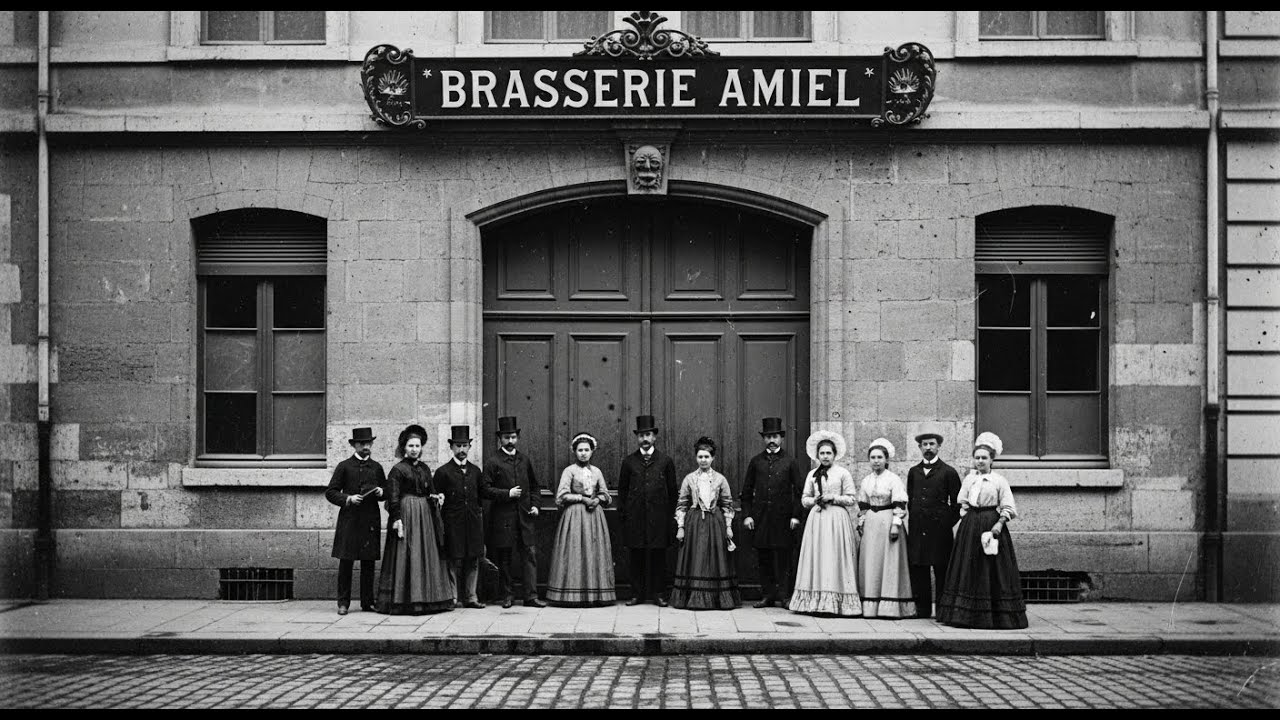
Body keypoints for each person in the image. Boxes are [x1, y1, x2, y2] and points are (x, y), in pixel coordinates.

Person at [936, 432, 1029, 629]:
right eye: (977, 457)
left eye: (984, 458)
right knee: (968, 566)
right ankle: (964, 615)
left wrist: (999, 524)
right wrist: (965, 520)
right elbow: (962, 501)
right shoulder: (969, 479)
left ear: (992, 459)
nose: (980, 461)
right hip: (970, 526)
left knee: (991, 569)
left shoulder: (999, 481)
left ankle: (995, 616)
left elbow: (1008, 506)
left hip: (991, 524)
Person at [374, 424, 455, 615]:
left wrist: (437, 497)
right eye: (411, 446)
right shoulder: (398, 469)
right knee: (407, 554)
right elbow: (393, 496)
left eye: (417, 446)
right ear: (404, 448)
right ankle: (407, 601)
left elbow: (431, 490)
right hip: (407, 515)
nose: (414, 450)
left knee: (426, 555)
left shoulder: (425, 468)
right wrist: (396, 519)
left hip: (425, 518)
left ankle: (429, 599)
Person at [788, 430, 862, 617]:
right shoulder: (812, 474)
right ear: (817, 455)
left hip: (837, 519)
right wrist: (815, 500)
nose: (825, 456)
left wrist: (833, 497)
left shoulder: (842, 473)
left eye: (829, 453)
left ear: (835, 454)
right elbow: (804, 499)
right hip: (817, 519)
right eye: (822, 453)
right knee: (818, 556)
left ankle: (838, 602)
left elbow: (852, 498)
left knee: (834, 556)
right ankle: (814, 601)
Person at [480, 416, 546, 608]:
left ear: (517, 438)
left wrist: (536, 505)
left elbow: (535, 486)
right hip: (503, 518)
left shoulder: (524, 460)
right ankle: (507, 596)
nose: (510, 441)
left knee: (529, 555)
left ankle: (531, 596)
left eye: (513, 437)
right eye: (506, 437)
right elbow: (485, 489)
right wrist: (507, 493)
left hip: (525, 517)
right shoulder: (493, 462)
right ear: (500, 439)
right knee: (505, 557)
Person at [545, 432, 617, 607]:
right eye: (580, 450)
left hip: (594, 517)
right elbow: (560, 496)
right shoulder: (569, 471)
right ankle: (572, 596)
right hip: (575, 517)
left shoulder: (597, 471)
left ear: (592, 451)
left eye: (586, 450)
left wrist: (598, 499)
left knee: (594, 552)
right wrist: (581, 498)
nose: (583, 453)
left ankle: (596, 594)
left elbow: (607, 494)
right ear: (574, 451)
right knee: (575, 552)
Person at [669, 436, 741, 610]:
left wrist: (729, 527)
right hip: (694, 524)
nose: (703, 460)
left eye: (707, 457)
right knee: (696, 558)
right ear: (696, 458)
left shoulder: (720, 479)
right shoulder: (689, 479)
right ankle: (693, 598)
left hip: (715, 524)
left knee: (715, 559)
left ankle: (716, 599)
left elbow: (727, 504)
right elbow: (682, 504)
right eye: (700, 457)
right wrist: (681, 527)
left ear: (712, 458)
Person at [740, 417, 805, 608]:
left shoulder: (790, 462)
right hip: (761, 519)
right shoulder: (756, 462)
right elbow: (746, 491)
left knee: (784, 557)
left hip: (784, 519)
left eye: (775, 436)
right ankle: (767, 595)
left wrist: (795, 515)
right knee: (764, 557)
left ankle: (785, 596)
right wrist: (748, 515)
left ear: (781, 439)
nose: (772, 440)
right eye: (768, 436)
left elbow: (799, 492)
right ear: (763, 438)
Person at [617, 414, 678, 606]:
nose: (645, 439)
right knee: (636, 556)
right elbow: (623, 491)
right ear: (637, 437)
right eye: (641, 435)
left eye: (648, 435)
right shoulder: (629, 462)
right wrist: (624, 516)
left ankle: (659, 593)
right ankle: (637, 594)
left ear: (654, 437)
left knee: (659, 556)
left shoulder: (665, 461)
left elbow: (673, 492)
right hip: (635, 518)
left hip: (659, 518)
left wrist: (670, 518)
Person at [324, 426, 386, 615]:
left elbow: (386, 492)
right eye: (362, 444)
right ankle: (343, 603)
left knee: (368, 564)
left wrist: (382, 492)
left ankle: (367, 602)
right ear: (354, 445)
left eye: (368, 443)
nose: (366, 446)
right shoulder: (344, 466)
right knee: (346, 562)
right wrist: (348, 499)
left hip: (369, 522)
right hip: (349, 520)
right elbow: (331, 492)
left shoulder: (376, 467)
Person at [905, 427, 962, 619]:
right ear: (920, 448)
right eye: (925, 445)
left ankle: (943, 611)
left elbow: (957, 503)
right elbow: (910, 499)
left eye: (932, 444)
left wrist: (945, 523)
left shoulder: (948, 472)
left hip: (940, 531)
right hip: (918, 529)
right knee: (919, 568)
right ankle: (922, 611)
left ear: (939, 447)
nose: (928, 448)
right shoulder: (914, 472)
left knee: (941, 569)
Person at [855, 438, 916, 619]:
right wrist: (862, 522)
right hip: (872, 524)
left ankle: (889, 608)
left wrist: (896, 524)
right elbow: (863, 505)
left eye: (880, 457)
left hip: (888, 521)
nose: (876, 461)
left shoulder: (893, 479)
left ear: (886, 460)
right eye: (873, 457)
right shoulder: (866, 480)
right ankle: (870, 608)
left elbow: (900, 503)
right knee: (872, 562)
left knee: (889, 562)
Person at [433, 425, 486, 609]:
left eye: (465, 446)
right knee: (453, 559)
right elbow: (435, 498)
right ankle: (453, 597)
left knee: (473, 559)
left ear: (470, 447)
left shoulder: (476, 471)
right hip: (452, 522)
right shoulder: (443, 472)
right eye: (458, 446)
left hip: (472, 521)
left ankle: (471, 596)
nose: (461, 450)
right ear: (451, 447)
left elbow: (481, 496)